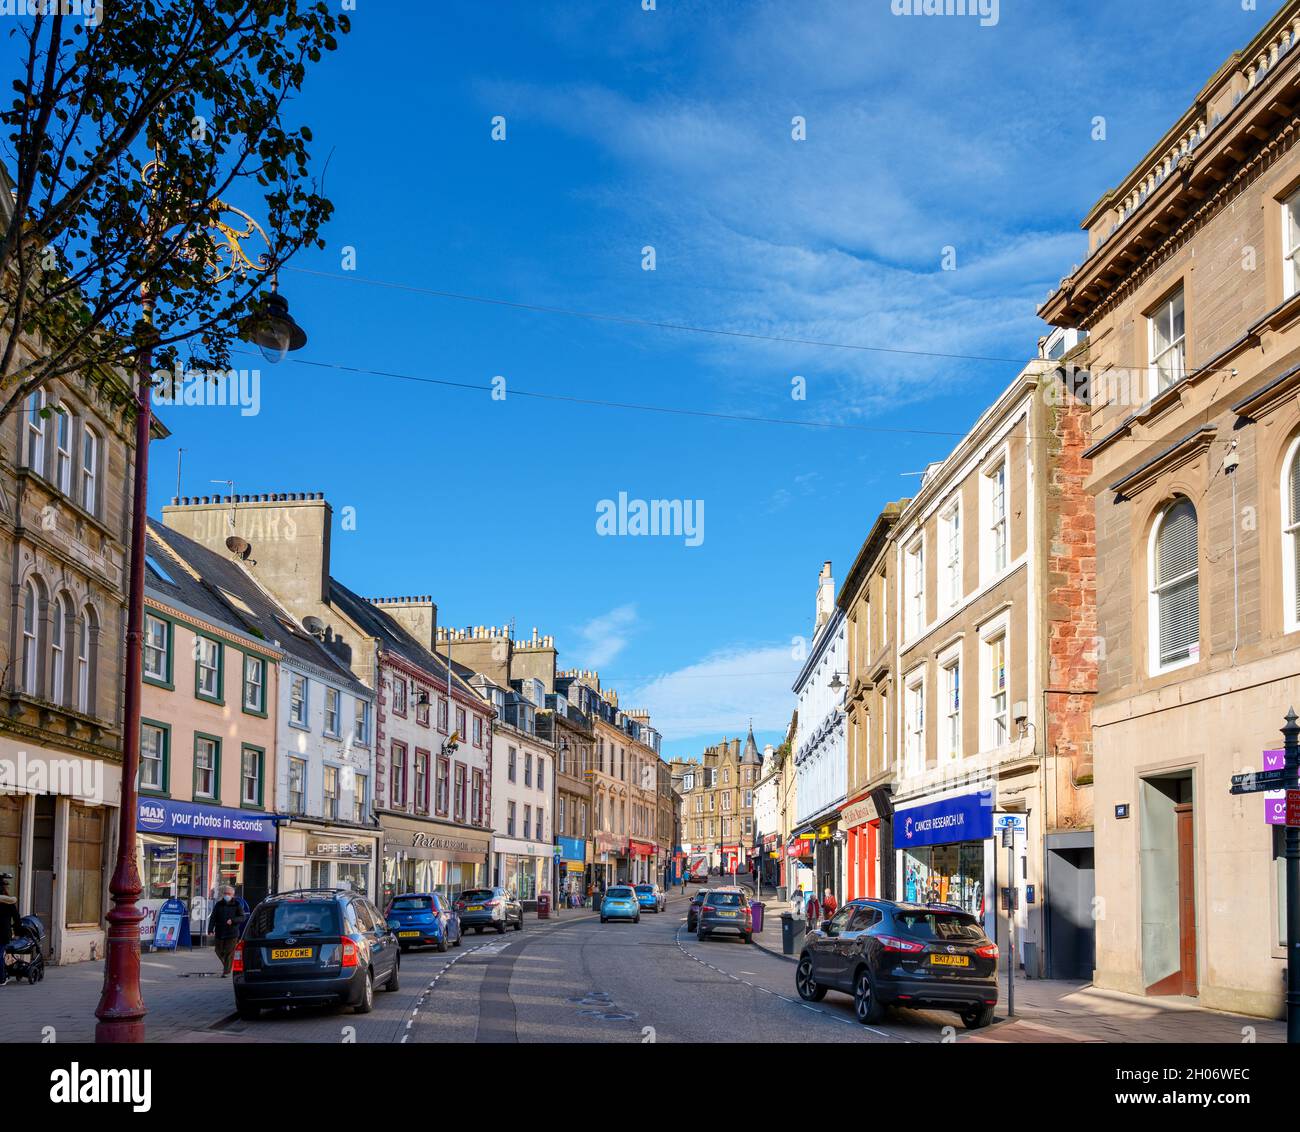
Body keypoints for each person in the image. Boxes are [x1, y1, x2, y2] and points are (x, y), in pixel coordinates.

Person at [207, 885, 247, 977]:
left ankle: (226, 972)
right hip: (220, 932)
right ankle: (227, 966)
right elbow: (213, 917)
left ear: (233, 895)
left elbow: (242, 917)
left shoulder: (237, 904)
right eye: (225, 893)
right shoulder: (218, 904)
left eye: (229, 894)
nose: (227, 895)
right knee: (218, 951)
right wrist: (210, 929)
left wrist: (233, 920)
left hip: (232, 933)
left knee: (229, 952)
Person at [0, 873, 20, 986]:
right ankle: (2, 978)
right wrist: (18, 931)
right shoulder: (9, 902)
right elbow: (17, 918)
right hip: (3, 933)